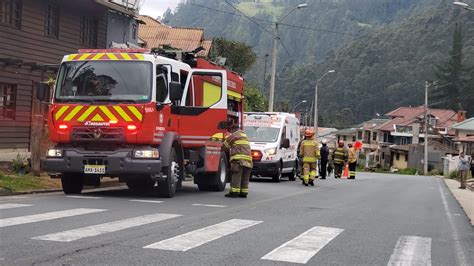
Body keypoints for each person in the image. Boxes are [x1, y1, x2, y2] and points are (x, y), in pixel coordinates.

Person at [223, 123, 253, 198]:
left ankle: (234, 192)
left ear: (233, 129)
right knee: (245, 178)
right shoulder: (244, 135)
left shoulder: (234, 135)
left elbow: (224, 146)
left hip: (239, 161)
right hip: (249, 161)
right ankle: (243, 193)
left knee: (236, 177)